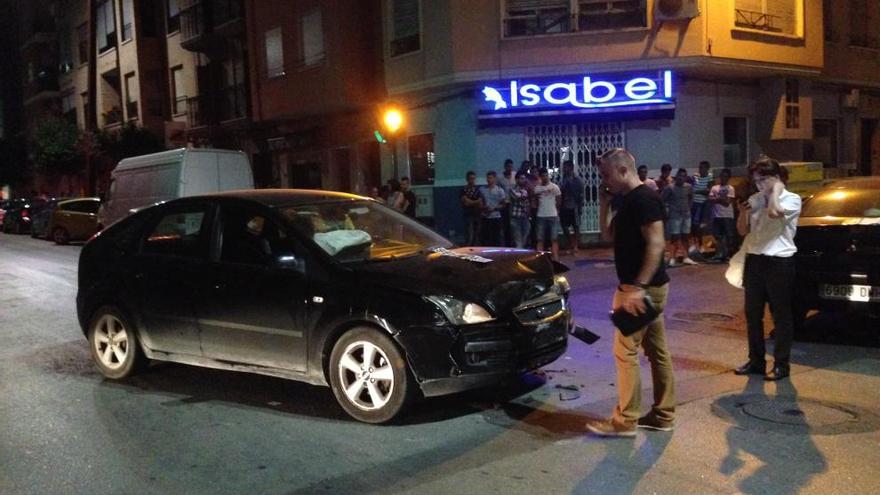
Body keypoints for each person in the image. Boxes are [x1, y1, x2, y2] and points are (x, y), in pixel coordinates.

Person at [587, 147, 675, 437]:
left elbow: (656, 244)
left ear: (624, 170)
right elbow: (607, 235)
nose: (604, 180)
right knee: (657, 352)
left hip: (639, 289)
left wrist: (638, 288)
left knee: (625, 352)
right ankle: (663, 415)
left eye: (606, 174)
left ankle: (625, 421)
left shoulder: (645, 199)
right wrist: (604, 204)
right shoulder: (626, 201)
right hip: (643, 288)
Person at [734, 157, 802, 382]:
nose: (760, 185)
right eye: (756, 181)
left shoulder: (791, 199)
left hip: (779, 261)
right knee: (752, 314)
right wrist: (744, 212)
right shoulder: (755, 199)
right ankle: (756, 361)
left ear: (776, 177)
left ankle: (782, 365)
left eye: (764, 180)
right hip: (755, 259)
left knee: (780, 315)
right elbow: (743, 231)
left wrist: (775, 190)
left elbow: (774, 213)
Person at [660, 168, 696, 266]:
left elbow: (691, 197)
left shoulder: (688, 187)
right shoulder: (670, 187)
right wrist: (666, 211)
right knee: (674, 237)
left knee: (686, 236)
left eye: (683, 176)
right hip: (674, 215)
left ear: (685, 177)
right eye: (679, 175)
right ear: (676, 176)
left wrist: (689, 207)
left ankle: (686, 257)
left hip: (686, 215)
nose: (681, 178)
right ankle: (672, 257)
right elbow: (661, 200)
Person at [708, 168, 736, 262]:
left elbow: (727, 202)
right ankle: (719, 253)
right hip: (716, 215)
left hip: (727, 215)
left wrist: (717, 199)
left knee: (728, 236)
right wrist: (721, 199)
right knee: (718, 235)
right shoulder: (714, 188)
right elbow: (710, 199)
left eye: (725, 176)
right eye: (722, 176)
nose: (723, 178)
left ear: (728, 178)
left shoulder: (730, 188)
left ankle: (728, 255)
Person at [533, 168, 561, 260]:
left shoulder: (555, 187)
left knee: (554, 238)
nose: (545, 177)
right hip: (541, 215)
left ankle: (556, 258)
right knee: (540, 239)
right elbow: (535, 201)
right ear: (540, 177)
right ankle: (539, 258)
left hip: (553, 215)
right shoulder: (537, 189)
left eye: (546, 175)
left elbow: (559, 200)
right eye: (543, 176)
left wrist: (556, 211)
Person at [690, 161, 714, 259]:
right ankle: (696, 244)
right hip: (695, 203)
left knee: (702, 225)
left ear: (707, 168)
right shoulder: (695, 176)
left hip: (704, 203)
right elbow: (691, 188)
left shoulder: (710, 177)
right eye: (700, 167)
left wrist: (697, 191)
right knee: (694, 225)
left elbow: (708, 191)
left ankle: (702, 245)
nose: (701, 169)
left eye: (703, 168)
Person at [559, 161, 584, 255]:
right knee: (564, 226)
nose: (563, 169)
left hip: (574, 206)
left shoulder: (577, 180)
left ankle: (575, 246)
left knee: (576, 226)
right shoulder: (563, 179)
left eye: (565, 167)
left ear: (570, 168)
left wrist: (580, 207)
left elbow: (581, 195)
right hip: (564, 206)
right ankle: (570, 244)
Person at [479, 171, 507, 246]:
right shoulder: (482, 189)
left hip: (496, 217)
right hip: (485, 217)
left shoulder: (500, 190)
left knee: (496, 238)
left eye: (490, 178)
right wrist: (484, 207)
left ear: (494, 179)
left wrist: (495, 208)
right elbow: (480, 202)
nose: (488, 179)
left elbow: (504, 204)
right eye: (487, 178)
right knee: (486, 238)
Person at [508, 171, 531, 249]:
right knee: (518, 240)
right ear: (517, 179)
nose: (524, 180)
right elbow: (517, 197)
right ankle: (519, 259)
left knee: (524, 239)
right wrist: (524, 196)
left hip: (525, 217)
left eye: (524, 178)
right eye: (522, 178)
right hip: (516, 218)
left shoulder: (526, 189)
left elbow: (526, 201)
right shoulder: (512, 189)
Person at [460, 171, 483, 246]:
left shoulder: (477, 190)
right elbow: (466, 202)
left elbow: (480, 203)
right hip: (468, 215)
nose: (472, 181)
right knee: (469, 235)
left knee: (477, 235)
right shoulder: (463, 190)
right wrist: (476, 202)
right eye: (470, 179)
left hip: (477, 215)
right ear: (467, 179)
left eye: (473, 179)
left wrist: (471, 202)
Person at [497, 159, 515, 246]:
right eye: (508, 166)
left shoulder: (515, 175)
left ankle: (513, 241)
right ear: (505, 167)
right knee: (505, 223)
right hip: (505, 203)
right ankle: (507, 242)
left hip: (514, 203)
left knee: (514, 223)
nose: (510, 168)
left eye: (511, 166)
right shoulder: (500, 177)